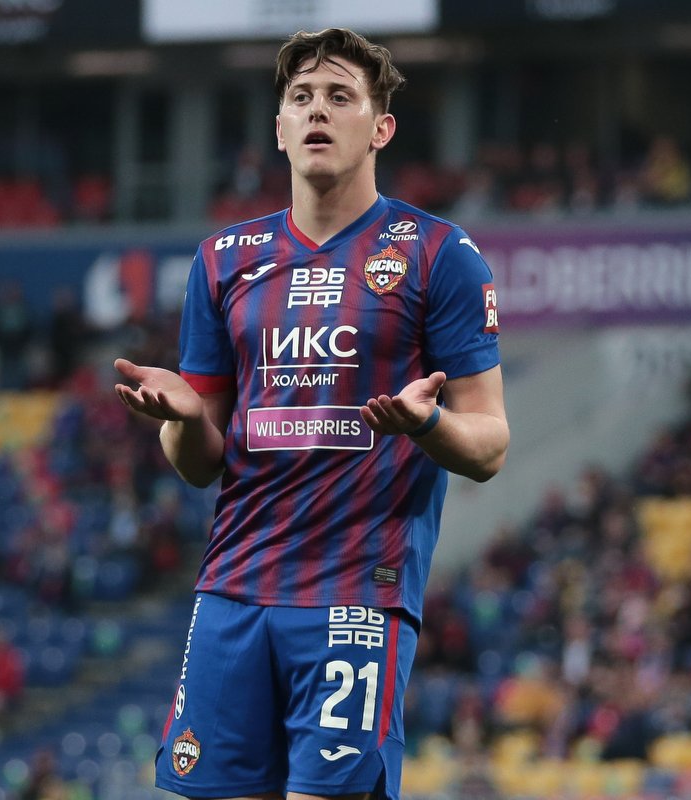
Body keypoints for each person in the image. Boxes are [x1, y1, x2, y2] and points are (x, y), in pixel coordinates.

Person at [113, 28, 509, 800]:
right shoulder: (223, 260)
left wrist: (426, 425)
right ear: (279, 128)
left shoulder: (438, 254)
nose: (317, 110)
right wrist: (183, 419)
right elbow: (198, 467)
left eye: (339, 97)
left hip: (356, 596)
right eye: (301, 98)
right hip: (232, 593)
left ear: (381, 128)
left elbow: (490, 444)